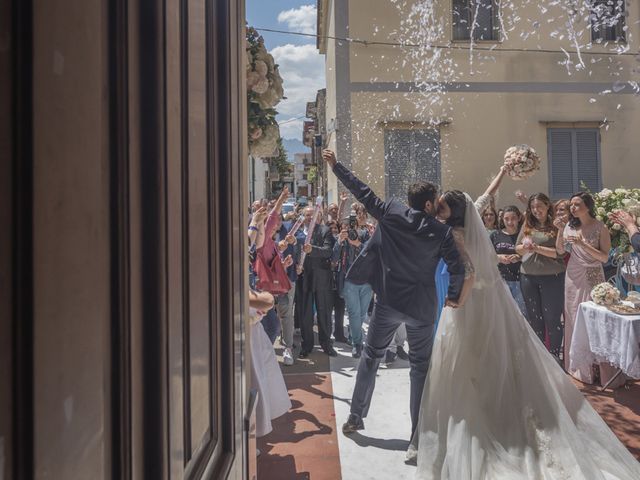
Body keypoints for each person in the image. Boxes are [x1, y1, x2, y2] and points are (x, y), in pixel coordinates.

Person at [408, 192, 640, 479]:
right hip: (491, 299)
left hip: (469, 303)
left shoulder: (454, 232)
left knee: (468, 359)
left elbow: (468, 273)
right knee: (497, 352)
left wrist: (457, 300)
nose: (437, 207)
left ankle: (486, 415)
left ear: (451, 210)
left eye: (441, 204)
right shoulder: (470, 228)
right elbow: (480, 215)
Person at [321, 149, 465, 439]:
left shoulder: (391, 211)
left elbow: (362, 191)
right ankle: (417, 433)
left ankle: (355, 417)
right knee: (420, 369)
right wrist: (452, 297)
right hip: (423, 308)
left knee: (370, 358)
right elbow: (458, 268)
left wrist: (336, 165)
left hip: (388, 303)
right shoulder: (441, 232)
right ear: (427, 203)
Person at [556, 192, 612, 381]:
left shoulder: (600, 227)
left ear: (588, 206)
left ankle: (599, 370)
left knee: (593, 319)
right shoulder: (570, 226)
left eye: (577, 204)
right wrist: (559, 230)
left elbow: (604, 257)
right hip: (572, 275)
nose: (572, 207)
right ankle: (580, 368)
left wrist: (583, 244)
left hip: (593, 275)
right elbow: (560, 250)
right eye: (571, 204)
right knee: (573, 315)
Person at [515, 193, 566, 361]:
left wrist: (536, 248)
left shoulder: (556, 226)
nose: (536, 210)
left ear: (547, 206)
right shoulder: (528, 225)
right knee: (534, 317)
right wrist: (525, 247)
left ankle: (554, 355)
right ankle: (539, 356)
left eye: (540, 207)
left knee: (552, 318)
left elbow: (559, 254)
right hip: (528, 277)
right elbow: (517, 249)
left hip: (552, 277)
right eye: (533, 207)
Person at [248, 289, 291, 438]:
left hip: (252, 340)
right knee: (254, 388)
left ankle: (250, 438)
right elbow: (266, 301)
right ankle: (249, 439)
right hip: (248, 343)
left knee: (256, 387)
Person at [296, 206, 337, 358]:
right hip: (304, 278)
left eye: (312, 215)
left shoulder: (325, 230)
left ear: (318, 217)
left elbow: (328, 251)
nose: (309, 218)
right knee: (305, 314)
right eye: (307, 215)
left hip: (321, 278)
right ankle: (306, 345)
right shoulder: (298, 232)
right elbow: (294, 252)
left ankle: (326, 344)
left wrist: (311, 250)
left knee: (324, 312)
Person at [333, 217, 372, 357]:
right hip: (349, 280)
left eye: (352, 227)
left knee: (362, 313)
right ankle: (357, 343)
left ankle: (353, 334)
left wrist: (357, 243)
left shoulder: (365, 234)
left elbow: (371, 252)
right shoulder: (341, 240)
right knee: (354, 313)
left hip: (366, 281)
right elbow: (334, 259)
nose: (350, 230)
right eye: (347, 228)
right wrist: (339, 242)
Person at [491, 205, 526, 315]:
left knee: (521, 313)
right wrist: (498, 258)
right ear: (502, 219)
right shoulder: (495, 235)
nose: (510, 222)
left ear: (519, 218)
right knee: (502, 314)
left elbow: (532, 254)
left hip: (520, 280)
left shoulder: (524, 235)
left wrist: (519, 257)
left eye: (513, 218)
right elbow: (486, 255)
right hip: (500, 280)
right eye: (506, 219)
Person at [327, 220, 349, 344]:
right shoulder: (329, 241)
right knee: (328, 310)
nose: (334, 230)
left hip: (341, 280)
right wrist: (339, 242)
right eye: (331, 228)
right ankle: (328, 334)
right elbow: (333, 259)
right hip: (329, 280)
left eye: (336, 228)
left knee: (340, 309)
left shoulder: (346, 241)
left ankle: (339, 334)